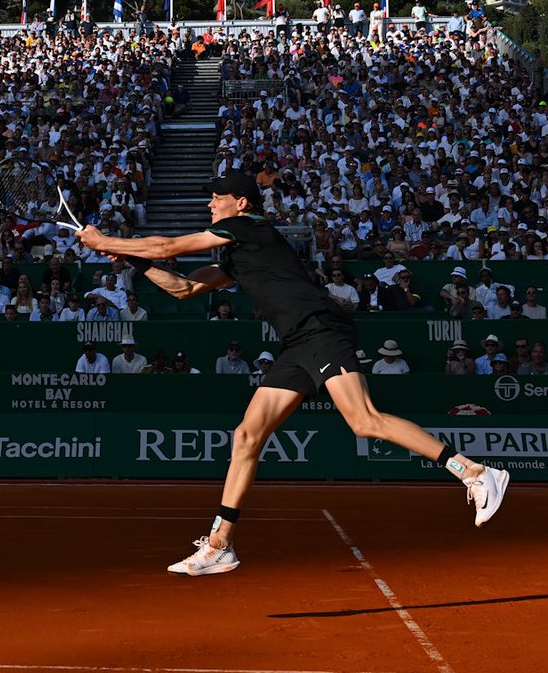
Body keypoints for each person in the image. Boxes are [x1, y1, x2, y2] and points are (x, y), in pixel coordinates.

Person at [76, 173, 509, 577]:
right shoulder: (237, 250)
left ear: (240, 203)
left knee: (363, 420)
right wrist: (130, 260)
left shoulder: (250, 227)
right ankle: (220, 543)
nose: (210, 203)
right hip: (296, 344)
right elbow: (183, 288)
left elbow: (166, 247)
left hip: (321, 327)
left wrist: (105, 241)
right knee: (246, 436)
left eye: (217, 197)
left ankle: (472, 471)